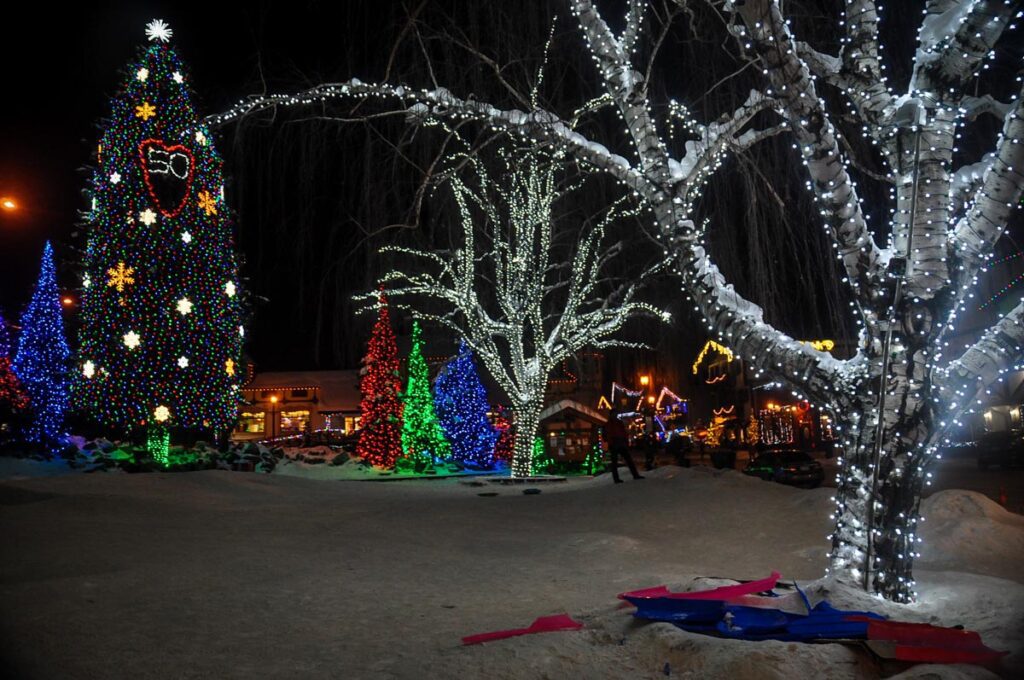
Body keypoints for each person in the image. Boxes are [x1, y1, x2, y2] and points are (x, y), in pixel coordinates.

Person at [604, 407, 643, 483]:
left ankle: (633, 475)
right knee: (619, 461)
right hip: (615, 442)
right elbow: (609, 434)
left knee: (627, 460)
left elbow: (623, 433)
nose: (615, 415)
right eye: (614, 414)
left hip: (619, 442)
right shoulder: (611, 423)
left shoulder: (616, 423)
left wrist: (625, 440)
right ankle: (620, 478)